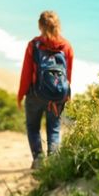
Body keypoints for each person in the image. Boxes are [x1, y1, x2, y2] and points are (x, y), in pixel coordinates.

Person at [18, 10, 75, 168]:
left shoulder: (34, 45)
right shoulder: (66, 46)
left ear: (40, 25)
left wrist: (20, 95)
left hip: (35, 95)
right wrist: (65, 95)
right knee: (54, 128)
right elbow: (68, 74)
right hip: (57, 95)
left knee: (33, 127)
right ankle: (53, 162)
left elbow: (26, 73)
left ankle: (38, 161)